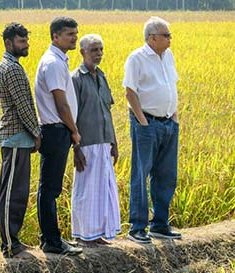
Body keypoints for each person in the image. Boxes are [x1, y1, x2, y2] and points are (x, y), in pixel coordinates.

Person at [123, 16, 182, 244]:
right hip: (147, 122)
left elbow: (172, 85)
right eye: (166, 35)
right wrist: (143, 122)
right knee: (141, 174)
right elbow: (130, 92)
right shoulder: (137, 58)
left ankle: (160, 224)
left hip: (168, 123)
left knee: (166, 175)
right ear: (152, 38)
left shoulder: (168, 56)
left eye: (169, 35)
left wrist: (174, 117)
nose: (170, 39)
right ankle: (137, 227)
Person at [34, 16, 83, 255]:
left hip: (57, 130)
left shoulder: (58, 60)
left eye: (75, 33)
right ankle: (51, 241)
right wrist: (74, 131)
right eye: (69, 34)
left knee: (51, 187)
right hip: (55, 130)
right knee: (50, 188)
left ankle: (52, 239)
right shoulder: (53, 62)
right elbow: (61, 104)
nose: (74, 37)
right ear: (55, 36)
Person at [0, 23, 42, 258]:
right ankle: (10, 245)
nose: (26, 45)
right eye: (21, 41)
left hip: (18, 138)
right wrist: (37, 133)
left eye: (26, 40)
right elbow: (23, 105)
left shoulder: (13, 65)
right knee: (11, 193)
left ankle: (14, 241)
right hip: (14, 137)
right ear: (9, 43)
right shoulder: (11, 68)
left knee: (18, 192)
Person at [70, 34, 121, 245]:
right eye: (94, 50)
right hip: (86, 143)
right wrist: (76, 147)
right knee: (85, 190)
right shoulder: (75, 79)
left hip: (103, 142)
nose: (98, 54)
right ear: (82, 52)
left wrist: (114, 142)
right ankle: (83, 236)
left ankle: (98, 233)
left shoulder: (102, 76)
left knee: (103, 189)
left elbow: (107, 112)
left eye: (100, 49)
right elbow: (72, 115)